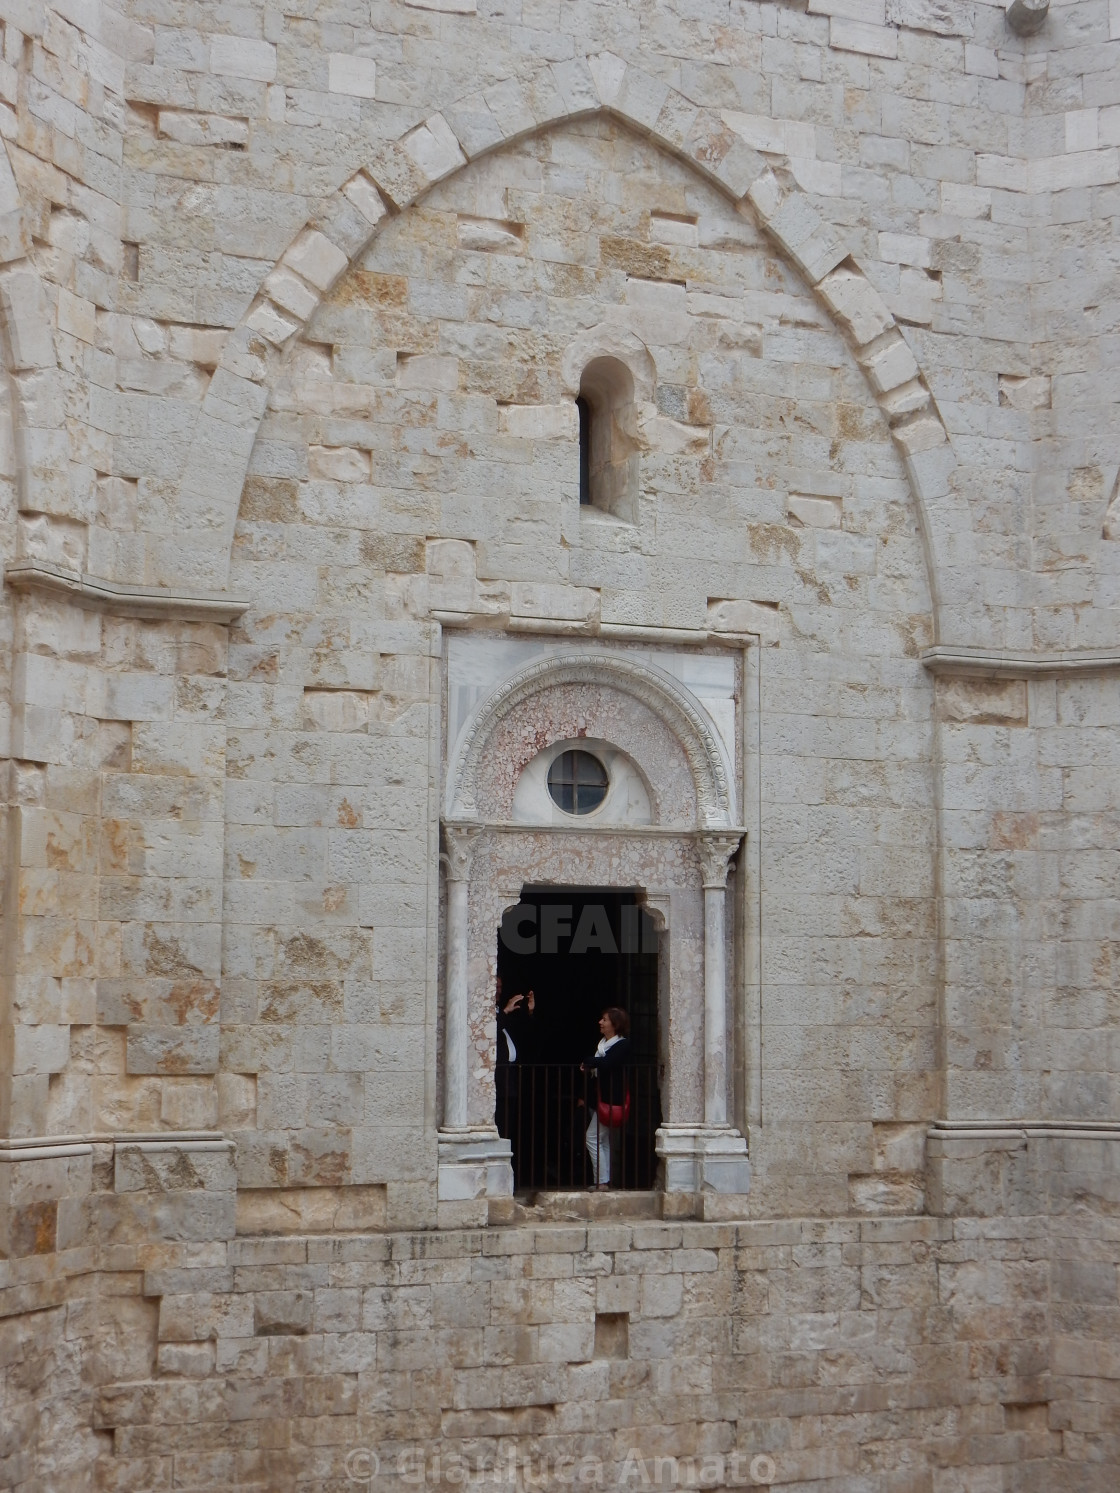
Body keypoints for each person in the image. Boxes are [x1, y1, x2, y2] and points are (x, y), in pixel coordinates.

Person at [580, 1007, 631, 1189]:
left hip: (611, 1100)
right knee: (603, 1140)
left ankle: (601, 1181)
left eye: (604, 1020)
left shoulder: (622, 1045)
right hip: (601, 1099)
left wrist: (589, 1061)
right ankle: (604, 1180)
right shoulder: (602, 1045)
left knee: (592, 1138)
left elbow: (608, 1063)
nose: (600, 1022)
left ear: (614, 1024)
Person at [494, 977, 535, 1187]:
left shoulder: (500, 1013)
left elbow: (524, 1035)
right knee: (501, 1127)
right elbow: (487, 1033)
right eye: (495, 986)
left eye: (501, 987)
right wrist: (507, 1011)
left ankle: (513, 1176)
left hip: (511, 1080)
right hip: (497, 1082)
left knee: (512, 1128)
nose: (499, 991)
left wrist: (528, 1011)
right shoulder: (486, 1012)